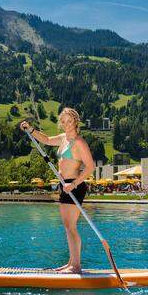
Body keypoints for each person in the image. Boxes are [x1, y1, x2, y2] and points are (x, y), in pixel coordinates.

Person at [20, 107, 95, 273]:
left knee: (72, 226)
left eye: (70, 121)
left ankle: (76, 266)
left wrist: (74, 184)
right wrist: (31, 130)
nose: (66, 124)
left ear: (76, 122)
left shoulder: (79, 143)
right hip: (64, 185)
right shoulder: (63, 139)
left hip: (74, 186)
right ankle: (70, 263)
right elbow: (46, 139)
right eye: (64, 121)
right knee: (67, 226)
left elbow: (90, 167)